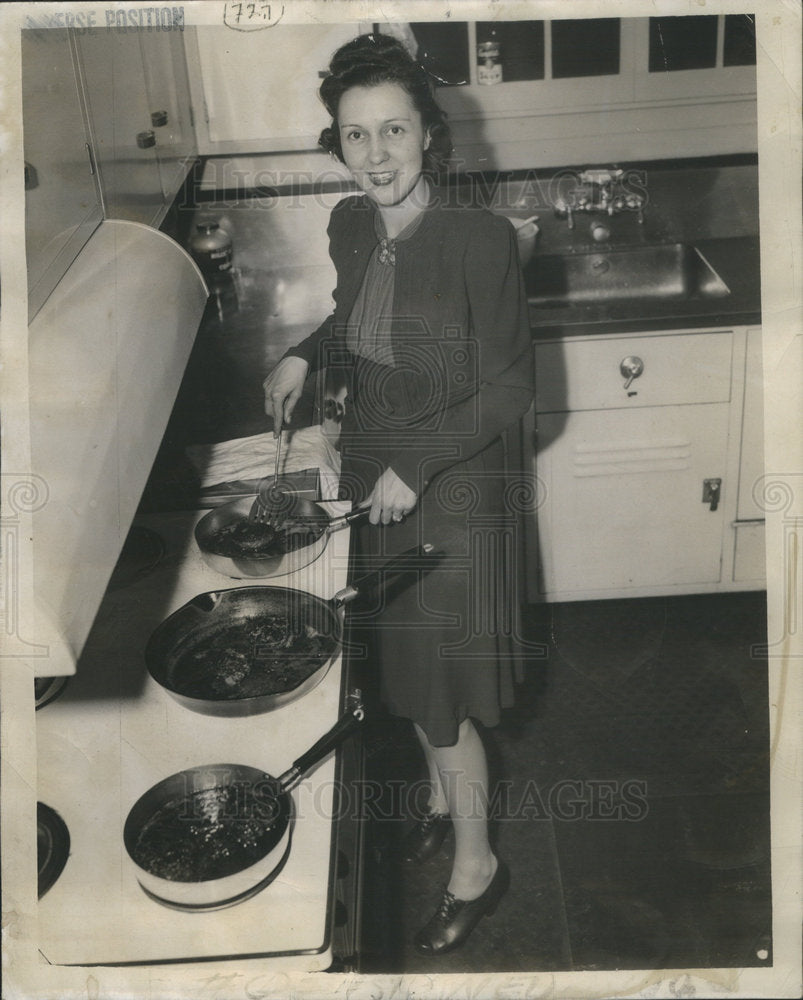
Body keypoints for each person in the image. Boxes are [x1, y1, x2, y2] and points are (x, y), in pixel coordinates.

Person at [263, 33, 534, 956]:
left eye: (393, 131)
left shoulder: (479, 240)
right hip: (375, 473)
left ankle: (477, 866)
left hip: (452, 488)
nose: (374, 155)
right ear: (335, 143)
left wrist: (415, 469)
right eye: (354, 135)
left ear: (428, 135)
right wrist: (306, 352)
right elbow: (355, 314)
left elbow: (509, 390)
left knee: (439, 692)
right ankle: (434, 800)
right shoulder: (348, 222)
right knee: (404, 677)